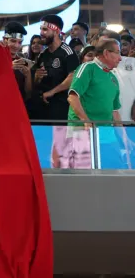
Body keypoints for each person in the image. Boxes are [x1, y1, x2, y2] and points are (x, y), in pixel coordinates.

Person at [58, 38, 123, 169]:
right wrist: (85, 121)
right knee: (83, 176)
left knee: (115, 170)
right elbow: (72, 97)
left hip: (106, 134)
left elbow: (114, 111)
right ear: (106, 53)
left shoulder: (113, 78)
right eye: (117, 52)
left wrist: (124, 138)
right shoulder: (87, 68)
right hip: (82, 132)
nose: (120, 58)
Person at [32, 14, 80, 120]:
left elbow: (73, 77)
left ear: (56, 31)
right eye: (41, 29)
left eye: (45, 29)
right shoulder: (43, 54)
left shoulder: (68, 52)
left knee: (59, 137)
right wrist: (37, 77)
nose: (41, 33)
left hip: (61, 108)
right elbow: (35, 81)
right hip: (43, 107)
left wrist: (52, 92)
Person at [3, 22, 32, 101]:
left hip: (20, 106)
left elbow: (28, 93)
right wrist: (8, 69)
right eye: (13, 41)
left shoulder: (22, 61)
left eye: (20, 42)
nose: (16, 46)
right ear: (5, 40)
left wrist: (28, 75)